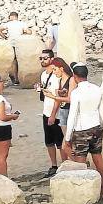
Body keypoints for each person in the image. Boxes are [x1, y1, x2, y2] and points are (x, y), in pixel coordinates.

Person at [65, 63, 103, 197]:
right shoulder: (97, 89)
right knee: (98, 158)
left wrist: (67, 137)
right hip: (96, 126)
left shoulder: (76, 93)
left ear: (75, 76)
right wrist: (102, 126)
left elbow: (72, 115)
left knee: (80, 162)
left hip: (82, 130)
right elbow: (102, 111)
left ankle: (84, 194)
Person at [37, 50, 64, 178]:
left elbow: (58, 97)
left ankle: (65, 164)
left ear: (52, 59)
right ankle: (54, 165)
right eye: (40, 58)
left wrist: (53, 114)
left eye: (45, 58)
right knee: (49, 141)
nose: (42, 60)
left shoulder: (57, 76)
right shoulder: (43, 75)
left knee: (60, 142)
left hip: (55, 113)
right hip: (46, 111)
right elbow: (45, 90)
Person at [42, 57, 76, 159]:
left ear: (61, 68)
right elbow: (60, 97)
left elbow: (70, 99)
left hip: (69, 111)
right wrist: (52, 94)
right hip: (63, 111)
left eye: (55, 69)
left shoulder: (71, 80)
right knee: (65, 143)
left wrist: (53, 96)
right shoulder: (61, 80)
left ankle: (78, 163)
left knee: (67, 142)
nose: (54, 72)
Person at [0, 11, 31, 85]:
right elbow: (29, 32)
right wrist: (22, 33)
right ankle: (22, 78)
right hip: (20, 43)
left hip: (11, 44)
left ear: (12, 16)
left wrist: (5, 37)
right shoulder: (22, 23)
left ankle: (16, 79)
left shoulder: (8, 24)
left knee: (14, 61)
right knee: (20, 60)